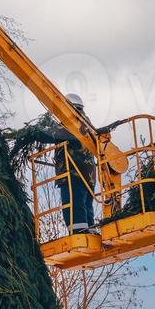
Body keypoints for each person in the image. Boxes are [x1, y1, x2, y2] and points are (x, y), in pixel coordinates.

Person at [36, 93, 98, 235]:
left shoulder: (74, 124)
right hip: (88, 176)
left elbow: (51, 134)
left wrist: (35, 131)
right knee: (85, 203)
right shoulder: (87, 124)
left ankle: (79, 232)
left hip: (73, 173)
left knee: (73, 204)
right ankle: (90, 228)